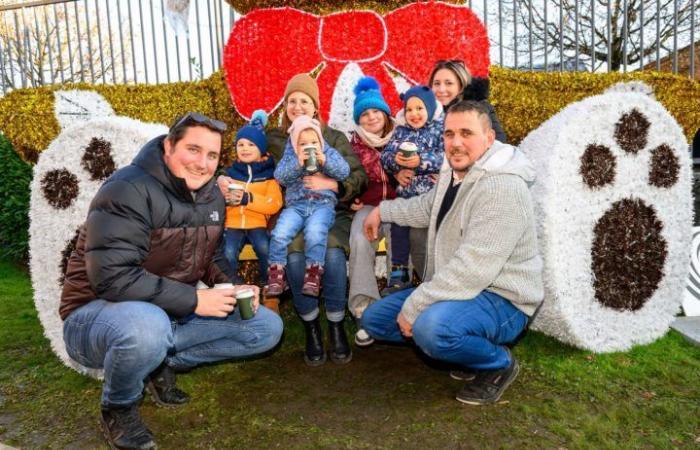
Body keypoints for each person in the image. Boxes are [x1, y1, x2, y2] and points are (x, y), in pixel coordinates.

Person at [60, 113, 284, 449]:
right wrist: (196, 301)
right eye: (193, 149)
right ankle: (118, 407)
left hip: (165, 310)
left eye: (211, 155)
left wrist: (234, 285)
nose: (203, 163)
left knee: (265, 328)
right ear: (168, 146)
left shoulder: (211, 195)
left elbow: (210, 256)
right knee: (147, 327)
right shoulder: (126, 189)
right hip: (94, 316)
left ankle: (158, 362)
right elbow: (112, 278)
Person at [362, 100, 544, 405]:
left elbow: (472, 269)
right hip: (465, 288)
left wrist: (416, 305)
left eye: (466, 133)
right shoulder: (455, 170)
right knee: (375, 320)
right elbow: (427, 207)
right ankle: (465, 350)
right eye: (448, 134)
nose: (455, 143)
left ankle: (498, 363)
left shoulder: (502, 187)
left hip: (503, 297)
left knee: (431, 328)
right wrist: (383, 210)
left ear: (488, 138)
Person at [266, 73, 368, 365]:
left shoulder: (332, 137)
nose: (298, 106)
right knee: (296, 260)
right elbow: (245, 165)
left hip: (331, 212)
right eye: (292, 101)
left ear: (315, 107)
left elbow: (357, 175)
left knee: (333, 256)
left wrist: (335, 186)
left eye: (305, 101)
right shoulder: (275, 140)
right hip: (295, 212)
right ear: (285, 106)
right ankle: (311, 326)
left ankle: (336, 325)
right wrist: (225, 181)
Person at [267, 115, 350, 297]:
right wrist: (297, 163)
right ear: (295, 144)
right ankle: (276, 272)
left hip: (322, 204)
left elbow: (344, 171)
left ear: (320, 141)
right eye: (303, 143)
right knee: (280, 233)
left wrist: (324, 161)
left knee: (315, 232)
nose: (309, 146)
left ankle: (313, 273)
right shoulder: (291, 157)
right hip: (296, 205)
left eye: (314, 142)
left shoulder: (327, 153)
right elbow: (280, 176)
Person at [347, 76, 397, 347]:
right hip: (368, 205)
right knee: (359, 238)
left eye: (375, 111)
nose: (370, 117)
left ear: (385, 113)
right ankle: (364, 308)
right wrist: (350, 198)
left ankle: (396, 304)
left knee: (403, 239)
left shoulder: (403, 136)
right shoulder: (353, 145)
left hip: (400, 205)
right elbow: (347, 177)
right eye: (364, 114)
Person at [380, 85, 444, 295]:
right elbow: (385, 156)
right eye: (409, 109)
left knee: (424, 236)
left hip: (429, 194)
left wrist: (422, 162)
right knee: (398, 225)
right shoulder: (400, 131)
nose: (414, 114)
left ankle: (432, 277)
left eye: (420, 108)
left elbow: (445, 157)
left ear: (430, 108)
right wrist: (395, 162)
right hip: (406, 193)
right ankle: (399, 270)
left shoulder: (438, 129)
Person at [217, 110, 283, 289]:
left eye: (251, 144)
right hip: (232, 223)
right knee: (228, 252)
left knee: (265, 248)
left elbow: (275, 204)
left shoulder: (269, 176)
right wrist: (225, 198)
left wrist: (248, 199)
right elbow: (216, 198)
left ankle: (267, 286)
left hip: (257, 224)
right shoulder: (229, 173)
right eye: (241, 144)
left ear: (261, 150)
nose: (245, 148)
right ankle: (231, 289)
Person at [429, 59, 508, 143]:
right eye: (437, 83)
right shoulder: (425, 111)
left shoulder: (481, 108)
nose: (441, 89)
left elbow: (498, 144)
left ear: (461, 86)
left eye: (449, 83)